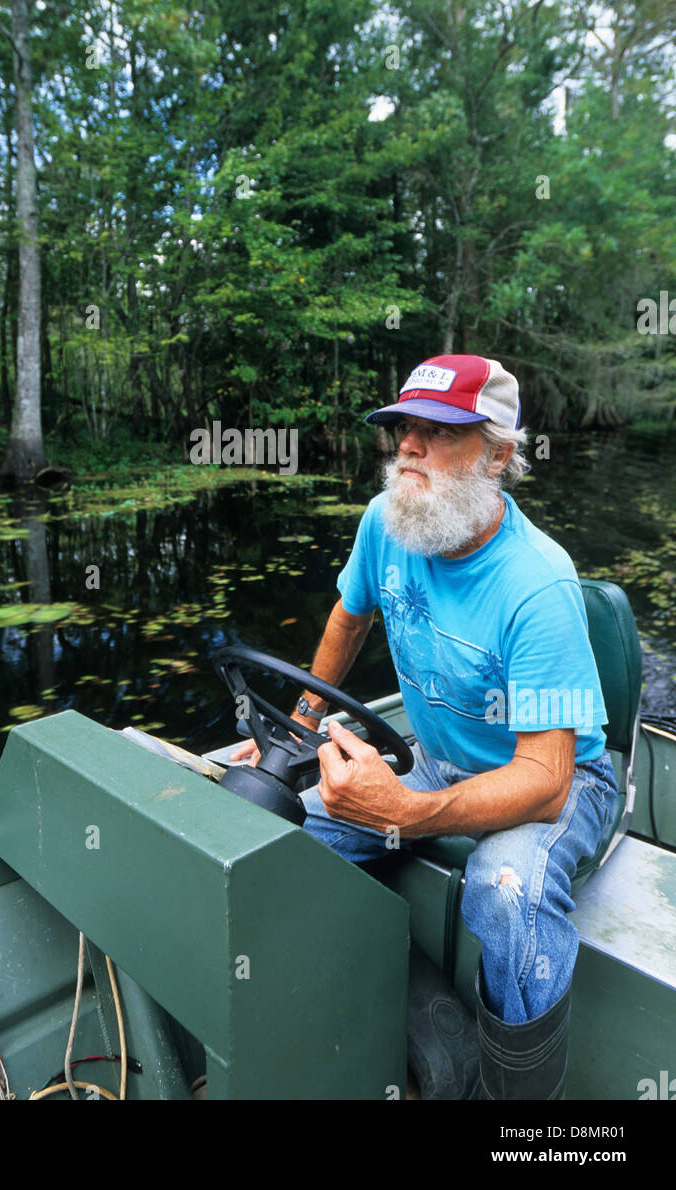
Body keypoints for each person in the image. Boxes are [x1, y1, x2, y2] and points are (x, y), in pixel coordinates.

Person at [231, 353, 620, 1100]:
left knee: (505, 891)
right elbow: (349, 619)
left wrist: (408, 813)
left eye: (439, 432)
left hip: (561, 780)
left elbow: (545, 782)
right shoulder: (387, 521)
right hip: (439, 756)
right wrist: (296, 729)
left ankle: (524, 1115)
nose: (409, 445)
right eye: (406, 427)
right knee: (278, 839)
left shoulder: (537, 583)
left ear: (499, 455)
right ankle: (437, 1021)